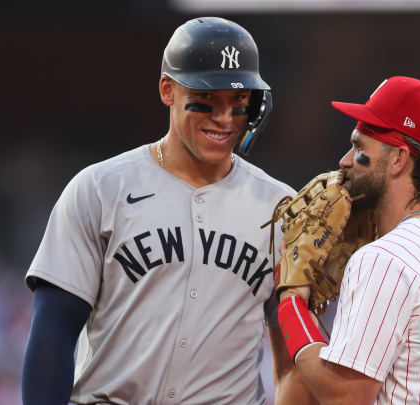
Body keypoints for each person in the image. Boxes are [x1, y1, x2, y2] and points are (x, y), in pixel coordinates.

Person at [21, 17, 309, 405]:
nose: (225, 119)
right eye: (208, 100)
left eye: (238, 103)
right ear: (167, 90)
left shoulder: (283, 210)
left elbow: (292, 362)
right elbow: (53, 331)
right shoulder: (101, 189)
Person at [277, 76, 420, 404]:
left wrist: (292, 303)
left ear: (399, 159)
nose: (346, 161)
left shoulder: (387, 258)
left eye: (360, 148)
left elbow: (344, 397)